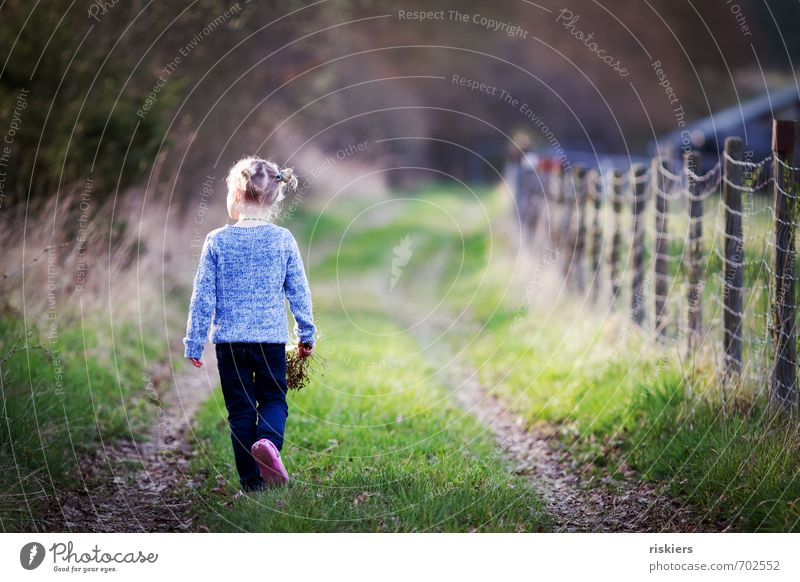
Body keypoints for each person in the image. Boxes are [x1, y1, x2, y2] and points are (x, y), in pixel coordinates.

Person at [183, 156, 316, 494]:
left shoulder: (216, 240)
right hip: (269, 341)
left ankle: (251, 484)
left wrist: (194, 341)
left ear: (236, 196)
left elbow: (202, 296)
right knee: (274, 399)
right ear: (274, 200)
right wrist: (306, 334)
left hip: (230, 344)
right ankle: (269, 443)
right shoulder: (283, 239)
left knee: (240, 412)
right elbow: (298, 291)